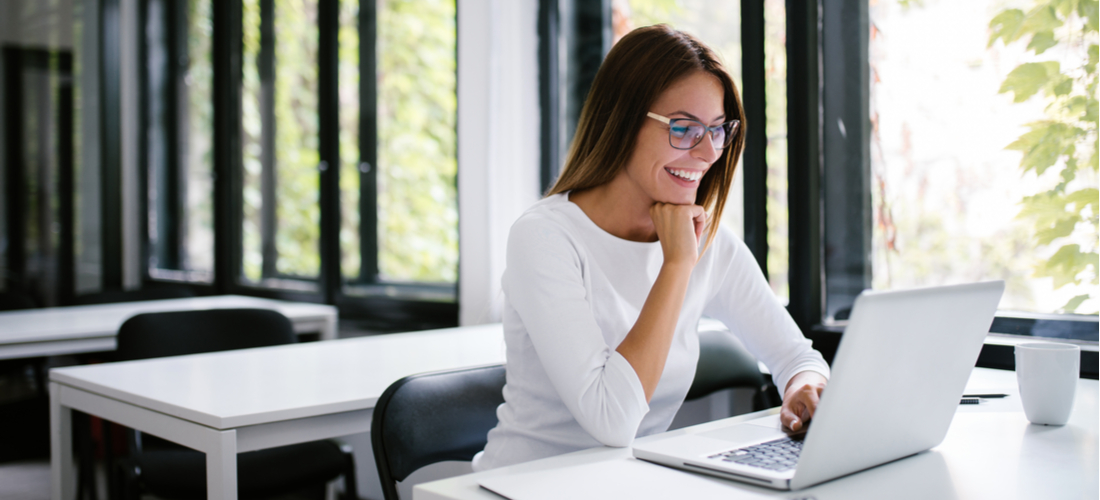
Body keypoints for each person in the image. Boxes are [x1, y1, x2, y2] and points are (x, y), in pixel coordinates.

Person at [472, 24, 830, 472]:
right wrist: (677, 263)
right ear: (621, 121)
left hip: (628, 482)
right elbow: (612, 420)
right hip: (523, 486)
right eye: (683, 128)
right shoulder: (545, 238)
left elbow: (797, 356)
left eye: (718, 131)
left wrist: (804, 385)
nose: (706, 153)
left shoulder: (709, 241)